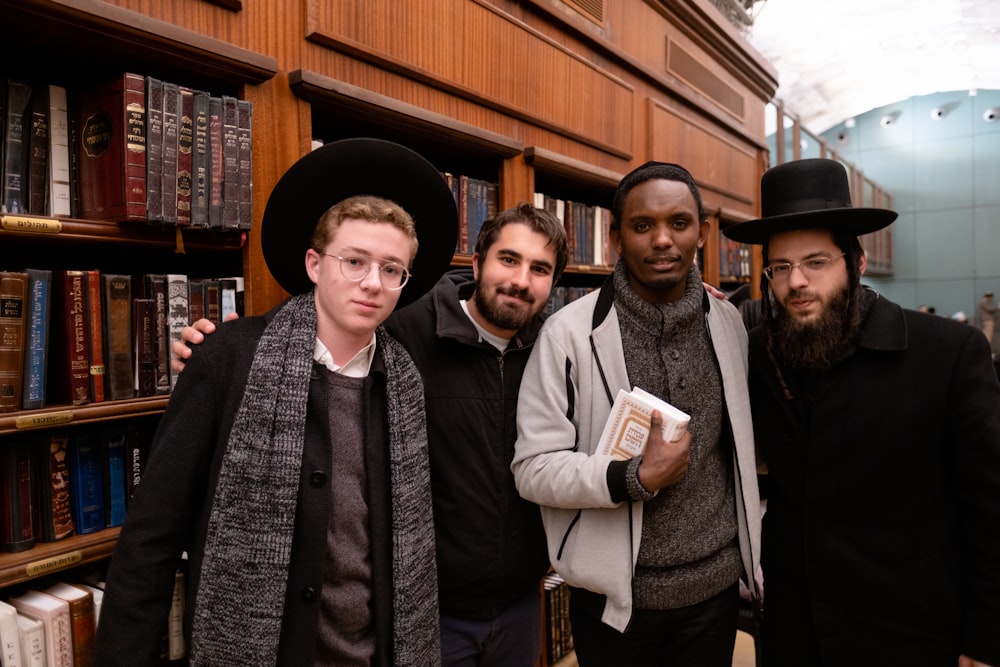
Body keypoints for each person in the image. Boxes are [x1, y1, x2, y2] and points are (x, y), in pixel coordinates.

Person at [95, 138, 459, 666]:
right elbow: (152, 534)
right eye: (354, 260)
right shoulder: (227, 359)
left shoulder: (404, 381)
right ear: (314, 263)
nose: (371, 283)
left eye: (391, 268)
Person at [172, 202, 570, 666]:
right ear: (477, 263)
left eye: (540, 269)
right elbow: (321, 323)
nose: (521, 280)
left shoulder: (557, 349)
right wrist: (220, 347)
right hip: (424, 608)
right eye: (509, 259)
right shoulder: (405, 326)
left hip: (522, 602)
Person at [723, 157, 1000, 667]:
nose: (797, 282)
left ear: (857, 261)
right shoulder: (758, 351)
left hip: (909, 632)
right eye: (781, 267)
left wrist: (985, 641)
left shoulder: (947, 354)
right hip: (793, 633)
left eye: (816, 262)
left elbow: (990, 511)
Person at [511, 161, 761, 666]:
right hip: (613, 603)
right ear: (616, 238)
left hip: (713, 594)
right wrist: (632, 476)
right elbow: (532, 470)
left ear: (703, 233)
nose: (663, 240)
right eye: (643, 226)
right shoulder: (566, 334)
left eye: (679, 223)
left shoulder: (730, 323)